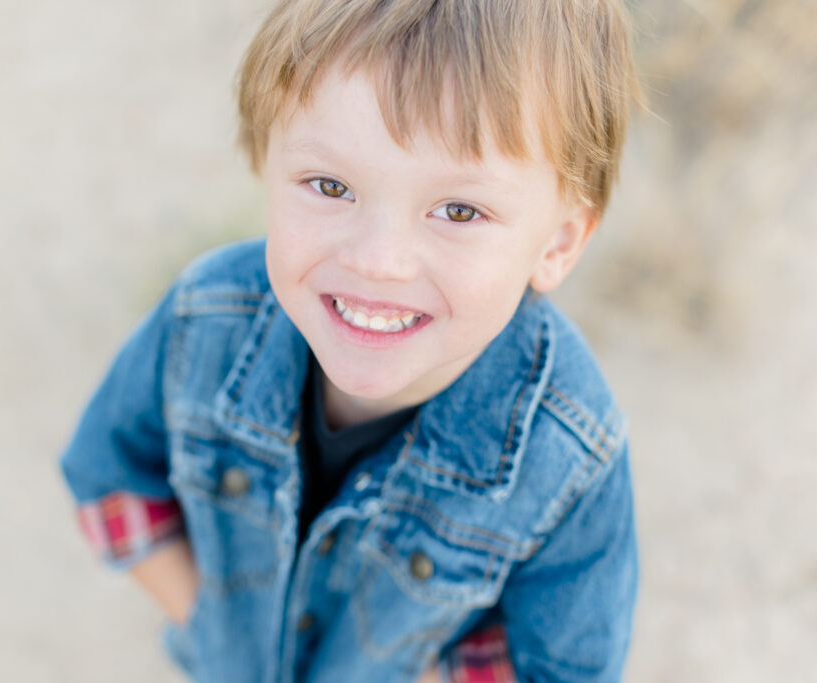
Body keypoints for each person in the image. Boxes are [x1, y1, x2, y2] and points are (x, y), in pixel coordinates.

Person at [60, 0, 641, 680]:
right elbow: (108, 474)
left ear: (559, 241)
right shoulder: (207, 315)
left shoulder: (570, 454)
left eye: (459, 210)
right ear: (265, 162)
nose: (378, 260)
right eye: (330, 185)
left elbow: (569, 669)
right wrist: (216, 634)